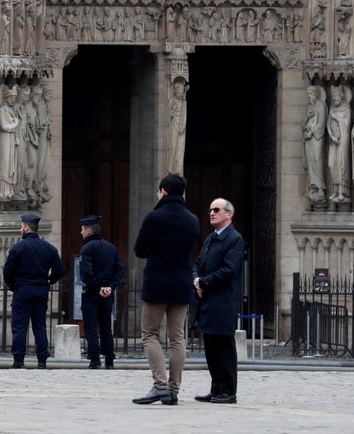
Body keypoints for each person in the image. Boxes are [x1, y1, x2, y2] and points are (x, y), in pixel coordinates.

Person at [131, 173, 200, 405]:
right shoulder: (192, 219)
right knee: (177, 339)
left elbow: (139, 249)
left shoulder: (154, 217)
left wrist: (157, 251)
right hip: (181, 283)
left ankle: (159, 385)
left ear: (163, 191)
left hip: (158, 283)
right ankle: (174, 389)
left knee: (149, 334)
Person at [193, 198, 246, 404]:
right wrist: (197, 280)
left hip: (223, 301)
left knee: (224, 348)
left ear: (229, 214)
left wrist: (203, 282)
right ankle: (216, 388)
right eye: (210, 210)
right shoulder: (211, 238)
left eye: (216, 210)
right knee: (211, 348)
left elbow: (229, 270)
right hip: (207, 300)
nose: (212, 213)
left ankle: (228, 390)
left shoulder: (234, 239)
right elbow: (198, 263)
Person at [3, 213, 64, 369]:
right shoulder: (49, 248)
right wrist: (50, 281)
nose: (20, 228)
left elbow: (7, 272)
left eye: (21, 226)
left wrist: (12, 285)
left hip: (22, 290)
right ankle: (42, 360)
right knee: (40, 326)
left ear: (26, 227)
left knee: (19, 326)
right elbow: (59, 269)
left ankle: (18, 360)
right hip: (40, 290)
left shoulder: (18, 248)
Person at [78, 214, 125, 369]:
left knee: (91, 327)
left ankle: (95, 359)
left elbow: (86, 273)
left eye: (83, 230)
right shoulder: (111, 248)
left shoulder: (86, 248)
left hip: (92, 293)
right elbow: (120, 270)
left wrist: (98, 288)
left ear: (89, 231)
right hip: (107, 294)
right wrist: (110, 287)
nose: (81, 233)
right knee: (106, 327)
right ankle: (109, 360)